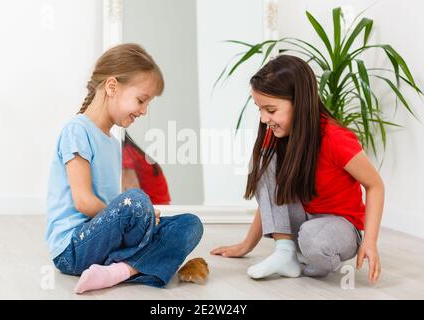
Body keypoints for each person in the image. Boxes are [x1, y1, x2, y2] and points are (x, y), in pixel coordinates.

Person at [211, 55, 383, 284]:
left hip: (339, 225)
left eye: (271, 110)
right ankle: (286, 252)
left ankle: (310, 254)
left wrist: (370, 241)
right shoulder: (276, 138)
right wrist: (246, 245)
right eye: (259, 109)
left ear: (299, 102)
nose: (264, 119)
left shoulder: (335, 139)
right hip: (303, 219)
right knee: (265, 161)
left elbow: (375, 185)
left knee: (313, 239)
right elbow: (273, 199)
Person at [45, 43, 203, 294]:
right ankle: (140, 264)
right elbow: (84, 202)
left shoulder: (114, 142)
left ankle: (118, 271)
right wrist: (137, 212)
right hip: (73, 248)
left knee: (190, 224)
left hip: (106, 242)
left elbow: (114, 206)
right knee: (137, 200)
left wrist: (142, 215)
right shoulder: (77, 131)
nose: (143, 110)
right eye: (141, 100)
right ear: (111, 86)